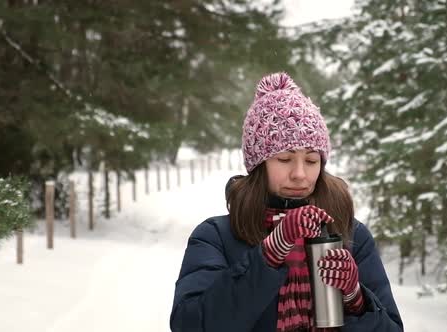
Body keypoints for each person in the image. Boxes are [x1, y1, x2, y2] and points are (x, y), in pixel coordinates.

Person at [170, 72, 403, 332]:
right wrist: (269, 254)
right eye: (284, 159)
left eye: (312, 160)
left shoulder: (351, 235)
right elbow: (190, 325)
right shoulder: (216, 237)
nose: (300, 174)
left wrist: (356, 300)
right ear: (259, 165)